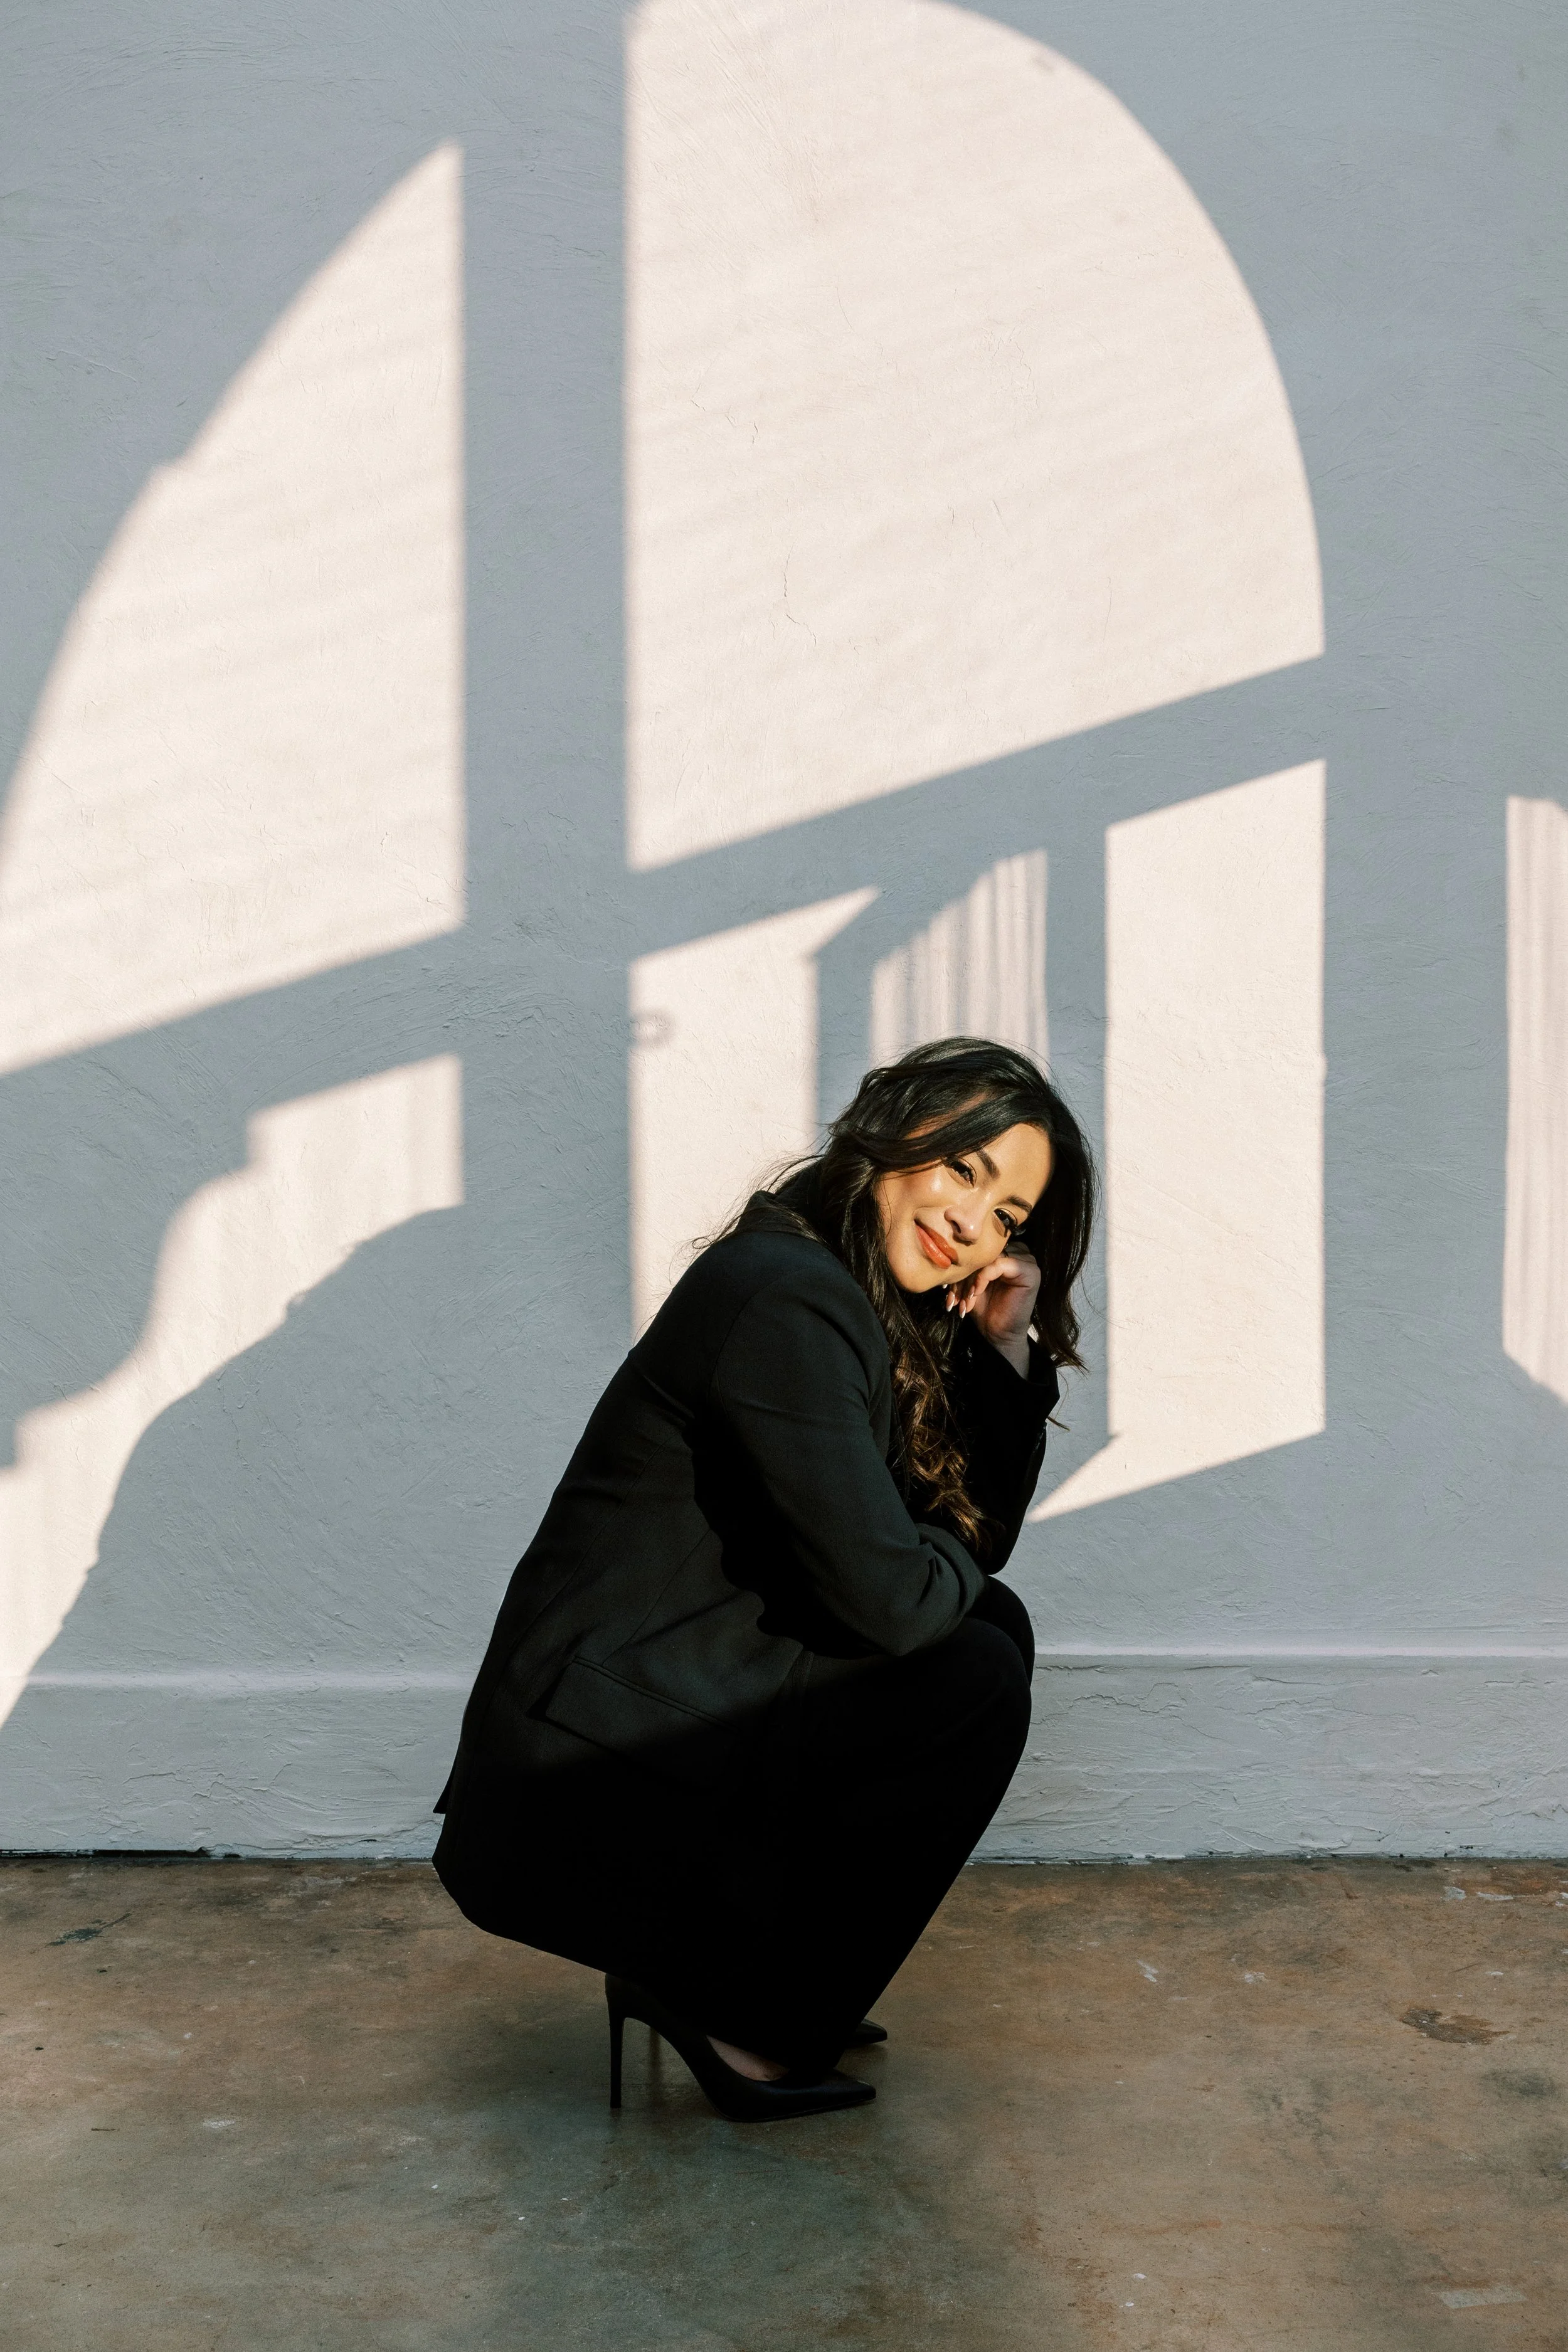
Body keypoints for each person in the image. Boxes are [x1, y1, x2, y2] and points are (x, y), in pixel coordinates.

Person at [432, 1036, 1096, 2120]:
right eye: (963, 1168)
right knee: (969, 1676)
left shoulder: (845, 1290)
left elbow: (949, 1551)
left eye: (1010, 1213)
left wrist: (1002, 1350)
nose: (976, 1220)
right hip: (589, 1752)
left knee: (991, 1631)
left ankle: (750, 1971)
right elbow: (893, 1599)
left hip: (669, 1698)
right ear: (895, 1137)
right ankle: (743, 2014)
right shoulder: (789, 1297)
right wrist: (946, 1561)